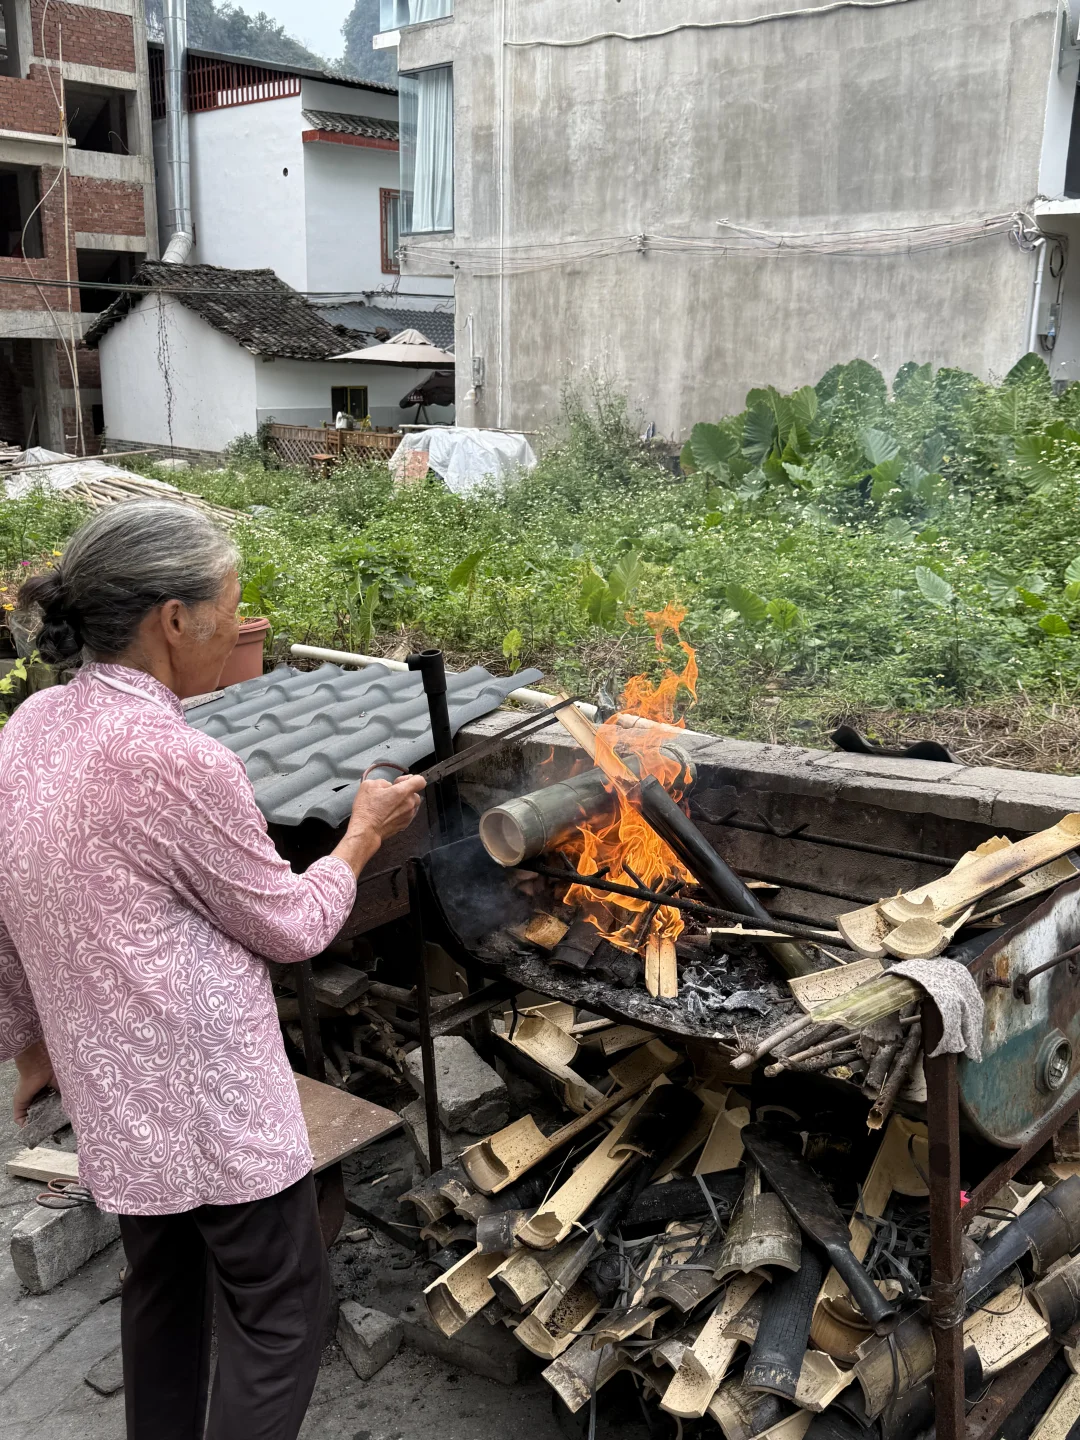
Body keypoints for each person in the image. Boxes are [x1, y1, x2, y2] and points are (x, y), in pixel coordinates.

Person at [0, 501, 425, 1440]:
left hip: (115, 1093)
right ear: (174, 619)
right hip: (208, 1099)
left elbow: (5, 907)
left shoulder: (29, 727)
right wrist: (362, 835)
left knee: (163, 1291)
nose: (240, 624)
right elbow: (291, 925)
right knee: (281, 1315)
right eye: (231, 605)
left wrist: (30, 1045)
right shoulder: (176, 759)